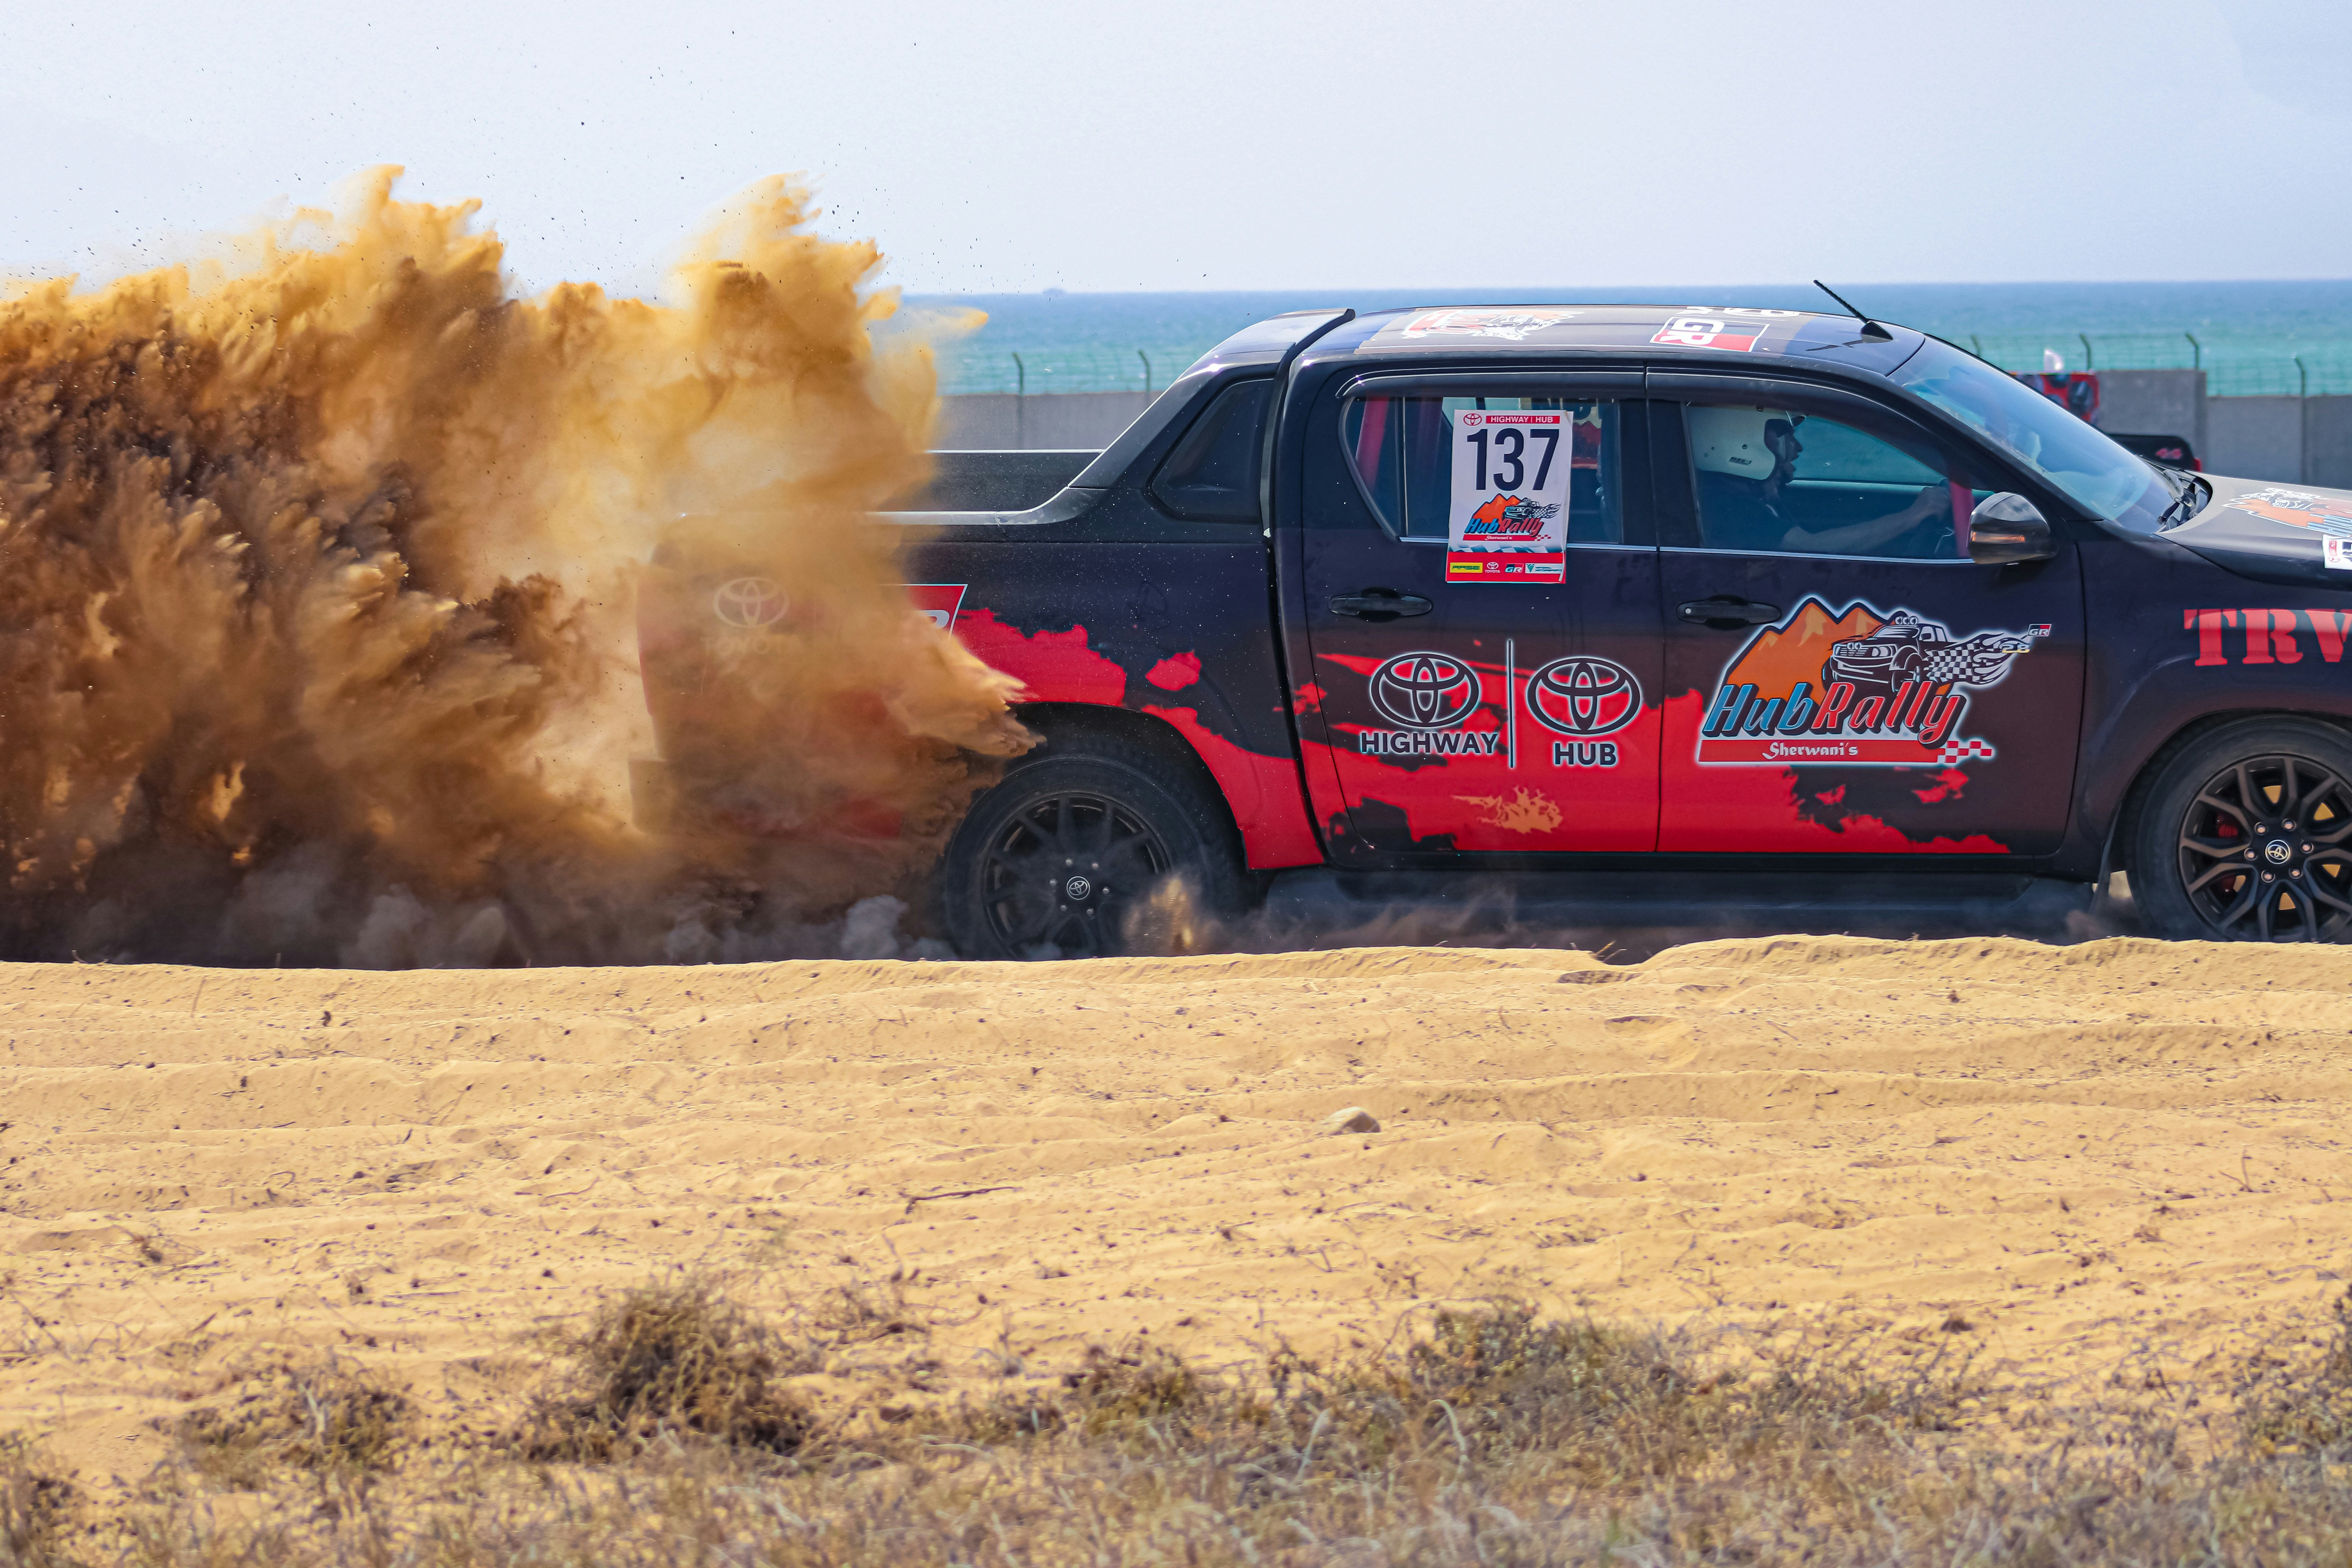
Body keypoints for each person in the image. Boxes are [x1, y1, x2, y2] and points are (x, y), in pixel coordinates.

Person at [1689, 406, 1953, 556]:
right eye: (1784, 437)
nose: (1797, 448)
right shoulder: (1723, 504)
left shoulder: (1749, 496)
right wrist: (1913, 516)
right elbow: (1808, 548)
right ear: (1737, 440)